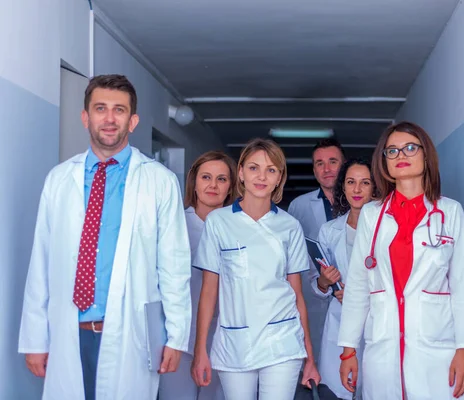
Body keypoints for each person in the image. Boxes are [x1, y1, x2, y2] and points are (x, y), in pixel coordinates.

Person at [18, 74, 191, 400]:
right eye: (100, 108)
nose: (110, 119)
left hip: (130, 332)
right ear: (86, 117)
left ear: (133, 120)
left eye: (119, 110)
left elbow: (174, 265)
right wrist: (34, 339)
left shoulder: (159, 181)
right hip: (69, 331)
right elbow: (41, 262)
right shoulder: (59, 180)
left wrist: (176, 336)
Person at [338, 121, 464, 400]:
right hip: (383, 347)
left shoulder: (450, 212)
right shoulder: (371, 215)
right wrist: (348, 349)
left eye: (410, 148)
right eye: (392, 151)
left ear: (426, 156)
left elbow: (462, 285)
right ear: (385, 162)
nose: (401, 155)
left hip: (437, 350)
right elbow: (357, 286)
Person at [191, 138, 320, 400]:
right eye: (254, 168)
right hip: (235, 342)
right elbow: (209, 290)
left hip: (282, 340)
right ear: (240, 173)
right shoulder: (218, 222)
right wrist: (200, 350)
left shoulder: (290, 226)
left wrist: (310, 357)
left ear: (279, 178)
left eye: (271, 170)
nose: (262, 177)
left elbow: (297, 295)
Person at [159, 151, 235, 400]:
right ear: (194, 182)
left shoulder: (240, 229)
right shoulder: (173, 225)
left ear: (231, 186)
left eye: (222, 179)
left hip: (226, 342)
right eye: (206, 177)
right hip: (179, 339)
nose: (213, 185)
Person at [309, 158, 376, 399]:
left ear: (374, 187)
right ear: (343, 187)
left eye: (365, 182)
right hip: (340, 320)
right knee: (339, 391)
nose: (357, 190)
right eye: (351, 182)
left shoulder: (387, 226)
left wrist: (361, 295)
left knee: (375, 388)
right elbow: (317, 286)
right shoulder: (330, 230)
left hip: (376, 321)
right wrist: (326, 282)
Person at [287, 138, 345, 363]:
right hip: (315, 296)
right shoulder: (299, 206)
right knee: (317, 362)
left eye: (333, 161)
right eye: (319, 163)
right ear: (313, 169)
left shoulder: (364, 203)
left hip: (353, 295)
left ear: (344, 164)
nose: (327, 169)